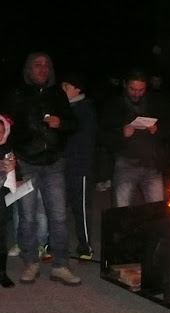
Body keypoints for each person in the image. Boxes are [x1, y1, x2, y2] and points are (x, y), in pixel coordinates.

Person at [4, 51, 81, 286]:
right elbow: (5, 128)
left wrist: (61, 123)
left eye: (47, 65)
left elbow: (72, 124)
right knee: (27, 218)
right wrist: (11, 160)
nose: (43, 69)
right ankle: (31, 262)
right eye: (38, 65)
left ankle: (60, 265)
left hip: (54, 163)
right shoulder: (17, 94)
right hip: (26, 163)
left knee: (58, 216)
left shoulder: (57, 93)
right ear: (29, 69)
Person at [103, 68, 170, 207]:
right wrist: (121, 133)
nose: (136, 93)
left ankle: (153, 229)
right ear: (125, 85)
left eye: (141, 90)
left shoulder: (155, 102)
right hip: (126, 165)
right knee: (121, 209)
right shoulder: (114, 104)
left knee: (157, 210)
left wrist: (157, 129)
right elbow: (103, 135)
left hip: (152, 165)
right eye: (133, 89)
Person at [61, 72, 97, 260]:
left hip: (79, 166)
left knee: (80, 207)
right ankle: (55, 244)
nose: (63, 89)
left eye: (67, 86)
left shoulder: (85, 109)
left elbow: (81, 137)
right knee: (59, 207)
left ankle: (85, 247)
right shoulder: (65, 108)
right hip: (62, 165)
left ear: (77, 89)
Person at [0, 114, 15, 287]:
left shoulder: (6, 149)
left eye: (2, 132)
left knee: (1, 236)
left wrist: (13, 168)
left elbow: (11, 175)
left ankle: (2, 272)